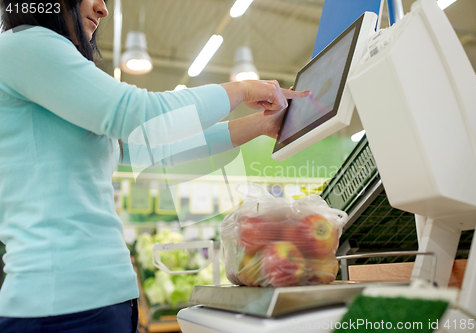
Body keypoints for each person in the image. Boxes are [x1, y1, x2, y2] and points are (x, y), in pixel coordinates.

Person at [0, 0, 310, 332]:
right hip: (62, 308)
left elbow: (154, 144)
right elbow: (139, 113)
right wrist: (242, 88)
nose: (102, 9)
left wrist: (261, 126)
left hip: (95, 304)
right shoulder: (24, 44)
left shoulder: (43, 72)